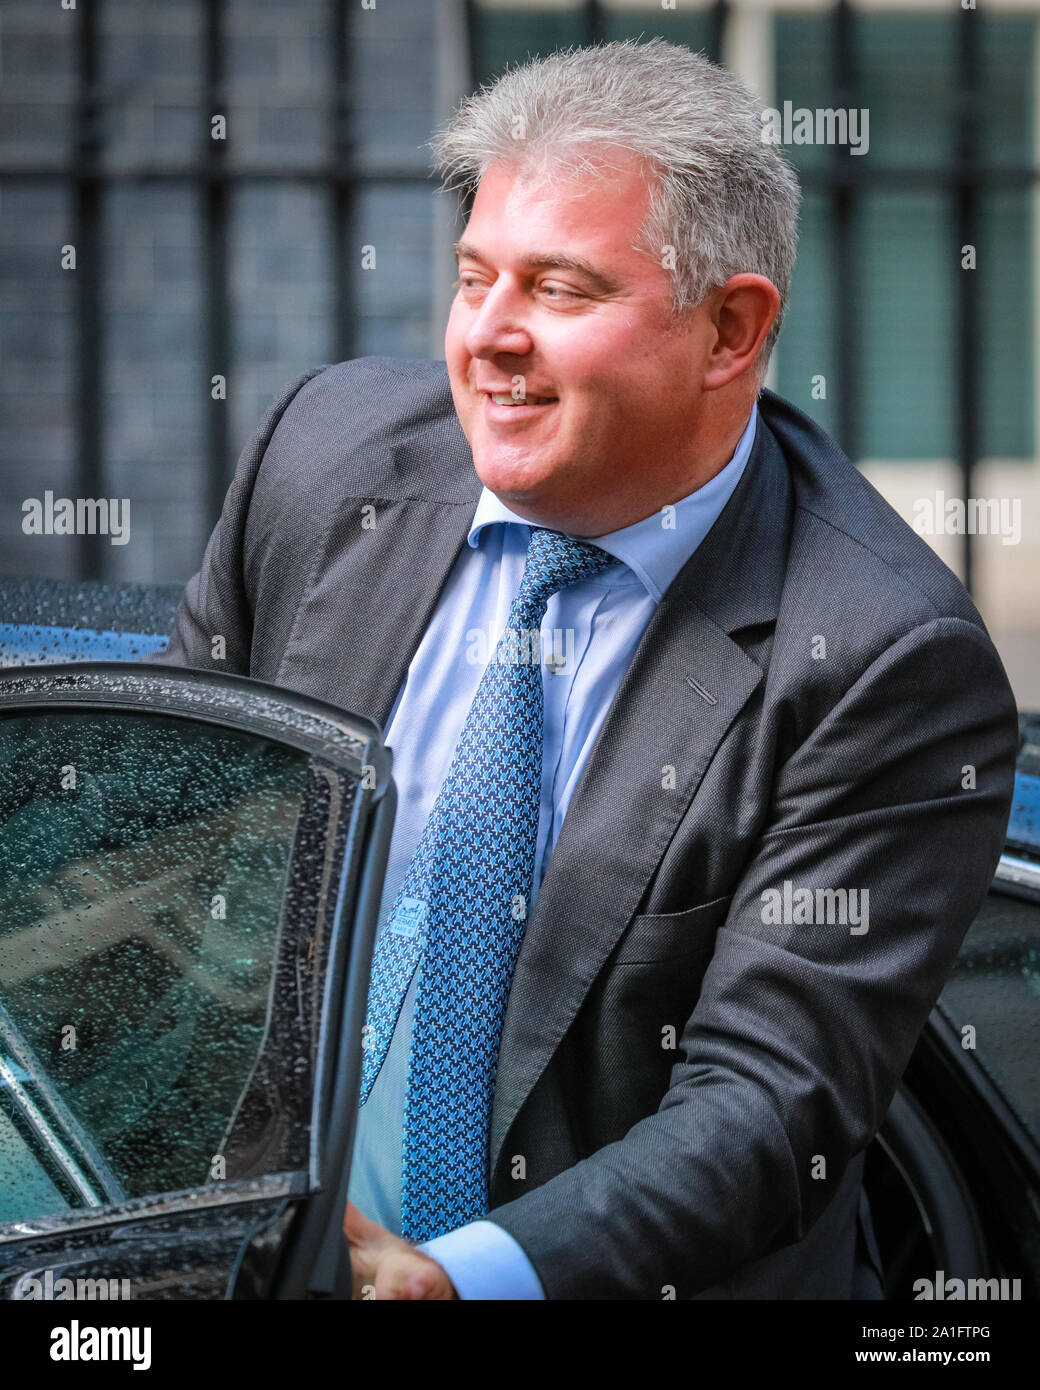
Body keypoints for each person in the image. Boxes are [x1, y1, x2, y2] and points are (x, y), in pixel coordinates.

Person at [154, 38, 1019, 1299]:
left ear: (730, 327)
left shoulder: (879, 659)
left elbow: (769, 1106)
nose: (487, 336)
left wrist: (463, 1281)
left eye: (558, 290)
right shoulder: (323, 457)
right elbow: (153, 837)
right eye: (472, 277)